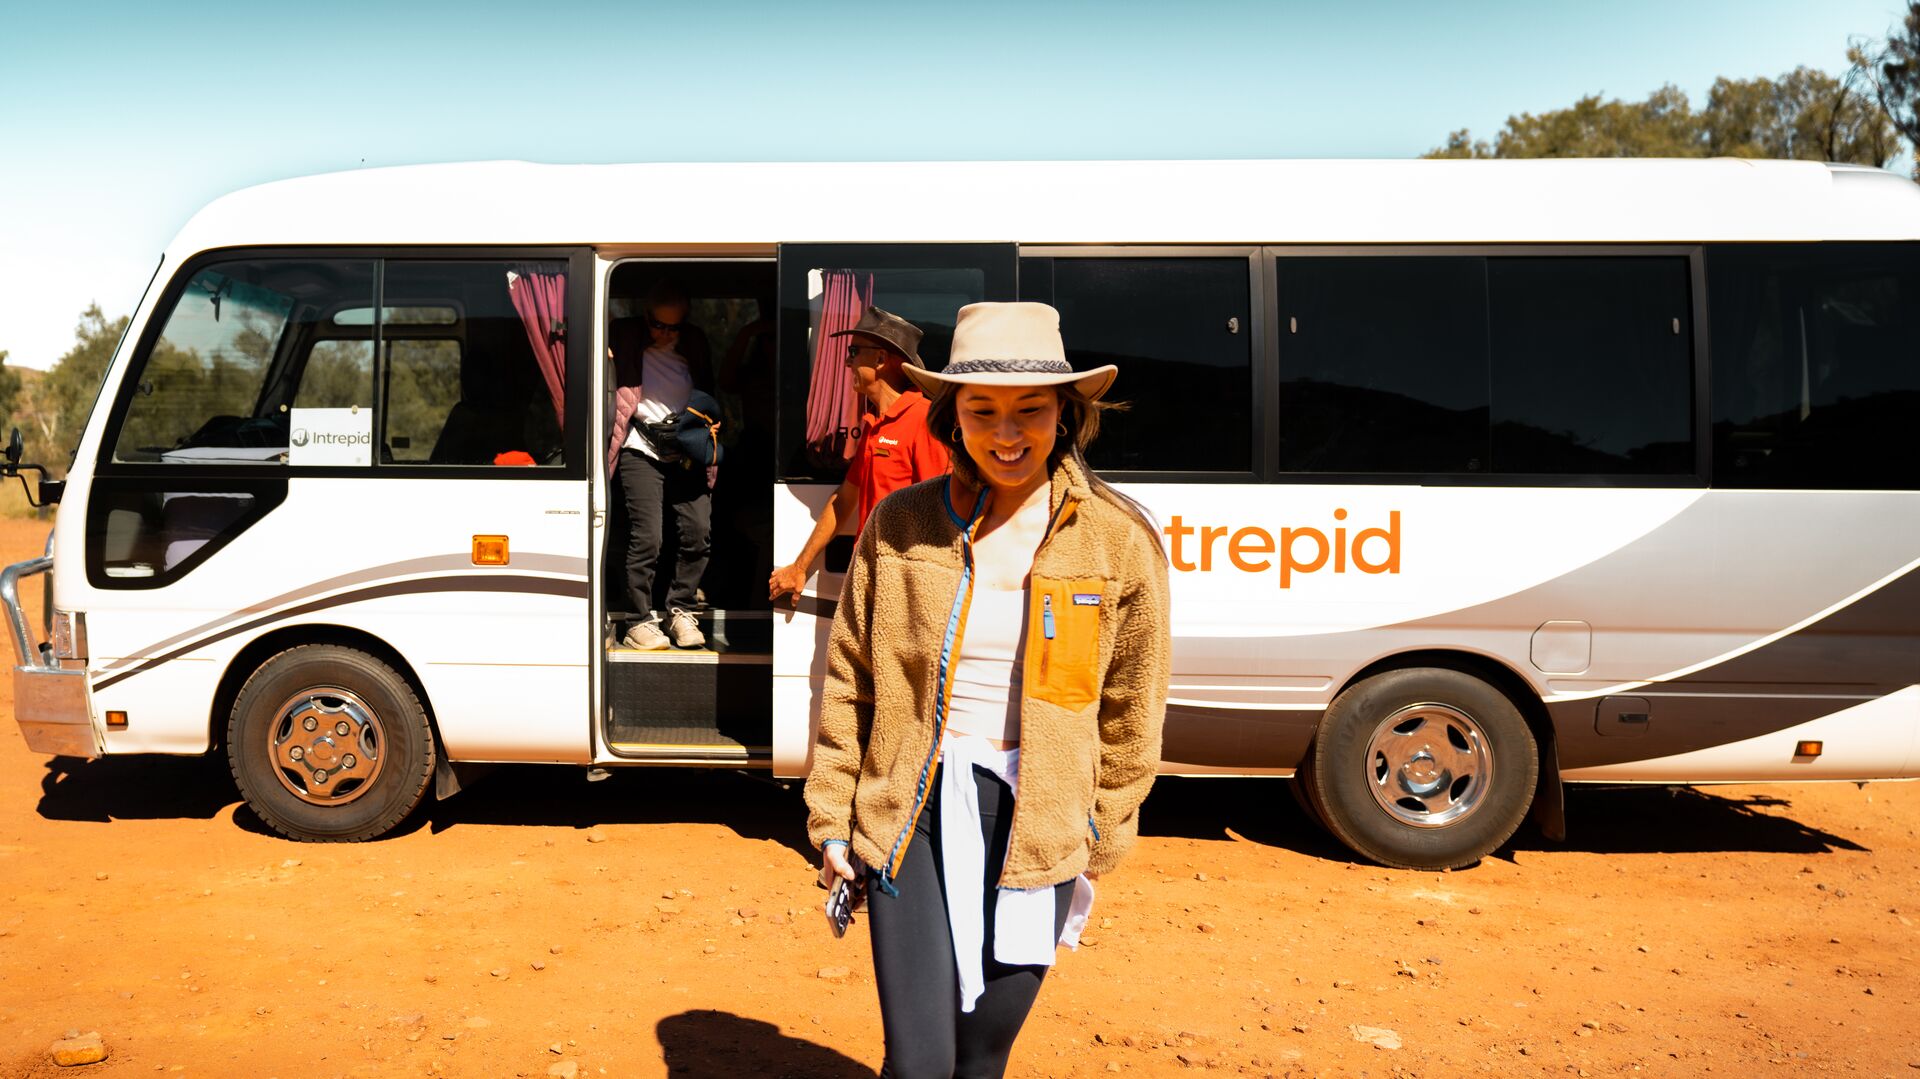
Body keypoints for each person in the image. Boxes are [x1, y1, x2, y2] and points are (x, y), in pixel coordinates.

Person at [803, 302, 1171, 1078]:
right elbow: (849, 679)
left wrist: (1102, 829)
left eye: (1029, 409)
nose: (1007, 433)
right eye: (983, 411)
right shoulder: (902, 525)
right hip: (913, 811)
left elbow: (1131, 706)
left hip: (1038, 822)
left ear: (1066, 412)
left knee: (982, 1055)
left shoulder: (1118, 541)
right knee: (920, 1061)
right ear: (952, 415)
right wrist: (833, 814)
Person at [768, 305, 948, 601]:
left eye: (854, 352)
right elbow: (843, 500)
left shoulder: (924, 420)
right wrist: (799, 567)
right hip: (868, 572)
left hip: (904, 584)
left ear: (880, 359)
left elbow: (941, 514)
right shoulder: (873, 424)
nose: (847, 361)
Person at [607, 283, 714, 650]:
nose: (664, 333)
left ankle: (681, 609)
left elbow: (710, 395)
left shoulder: (695, 345)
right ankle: (638, 619)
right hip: (639, 447)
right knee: (648, 537)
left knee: (698, 531)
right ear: (645, 317)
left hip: (685, 449)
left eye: (673, 327)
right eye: (657, 324)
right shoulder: (624, 336)